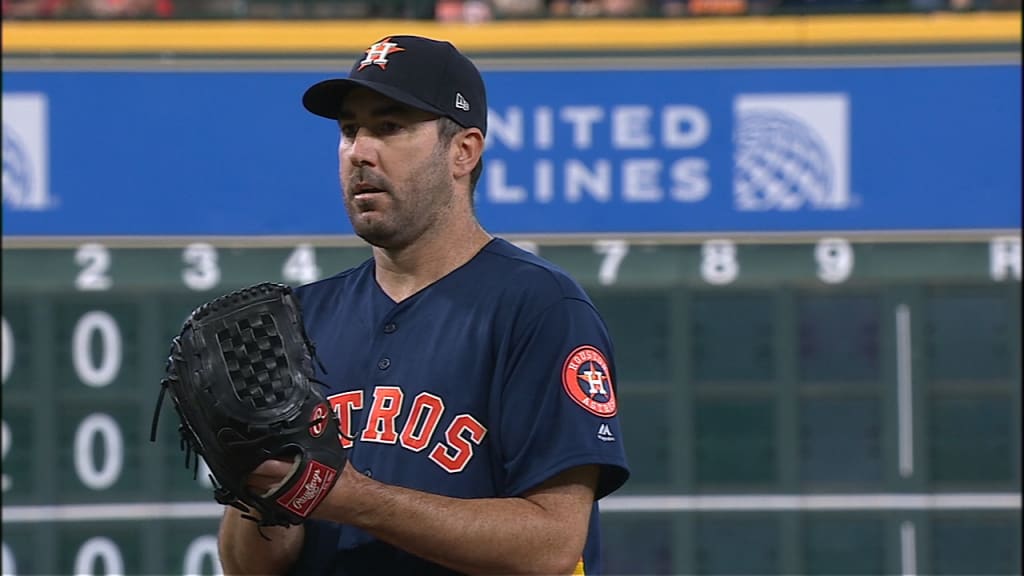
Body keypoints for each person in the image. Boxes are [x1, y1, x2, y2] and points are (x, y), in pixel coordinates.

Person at [217, 34, 630, 576]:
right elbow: (251, 569)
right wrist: (259, 487)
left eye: (390, 127)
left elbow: (552, 544)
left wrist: (352, 498)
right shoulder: (298, 321)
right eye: (349, 130)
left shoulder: (540, 309)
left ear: (463, 151)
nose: (361, 151)